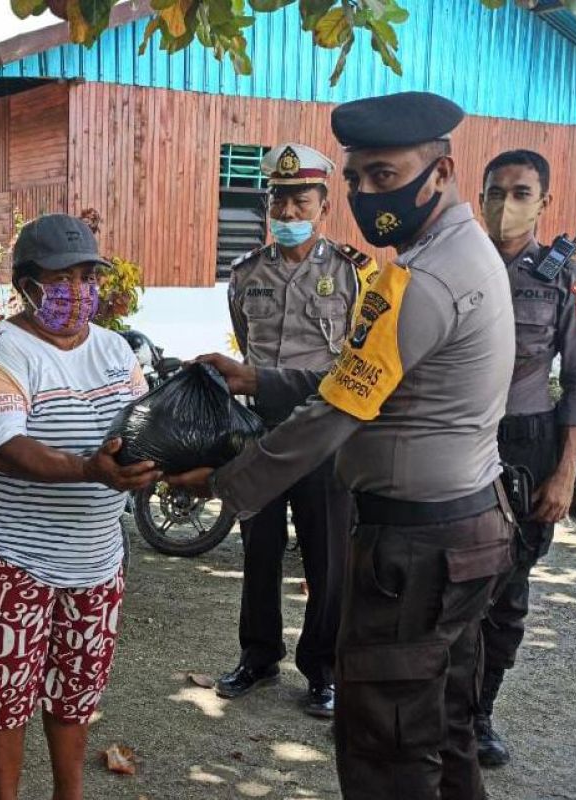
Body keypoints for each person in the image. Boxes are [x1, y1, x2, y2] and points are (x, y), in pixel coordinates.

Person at [169, 91, 517, 800]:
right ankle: (260, 655)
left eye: (382, 177)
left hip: (416, 547)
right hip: (467, 523)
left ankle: (315, 669)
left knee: (386, 747)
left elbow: (335, 408)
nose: (366, 195)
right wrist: (259, 380)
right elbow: (354, 376)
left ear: (442, 172)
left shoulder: (414, 280)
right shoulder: (466, 251)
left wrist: (222, 484)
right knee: (444, 733)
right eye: (357, 179)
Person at [0, 214, 159, 800]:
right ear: (26, 284)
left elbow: (142, 428)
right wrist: (89, 470)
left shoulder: (114, 350)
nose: (78, 291)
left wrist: (167, 463)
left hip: (94, 557)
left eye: (87, 276)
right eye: (61, 279)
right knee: (7, 692)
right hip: (12, 556)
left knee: (77, 689)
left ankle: (70, 794)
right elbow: (2, 447)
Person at [221, 142, 371, 717]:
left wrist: (266, 379)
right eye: (277, 200)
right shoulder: (245, 275)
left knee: (327, 555)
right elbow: (244, 345)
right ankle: (257, 656)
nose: (286, 213)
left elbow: (353, 366)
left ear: (323, 205)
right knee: (258, 549)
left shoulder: (354, 276)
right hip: (261, 432)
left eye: (298, 200)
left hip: (325, 438)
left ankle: (323, 670)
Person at [474, 149, 576, 766]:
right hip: (456, 435)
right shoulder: (458, 263)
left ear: (544, 202)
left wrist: (565, 470)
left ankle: (479, 715)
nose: (505, 205)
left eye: (521, 193)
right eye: (495, 192)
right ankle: (437, 707)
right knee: (445, 580)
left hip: (527, 443)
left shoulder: (567, 277)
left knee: (507, 589)